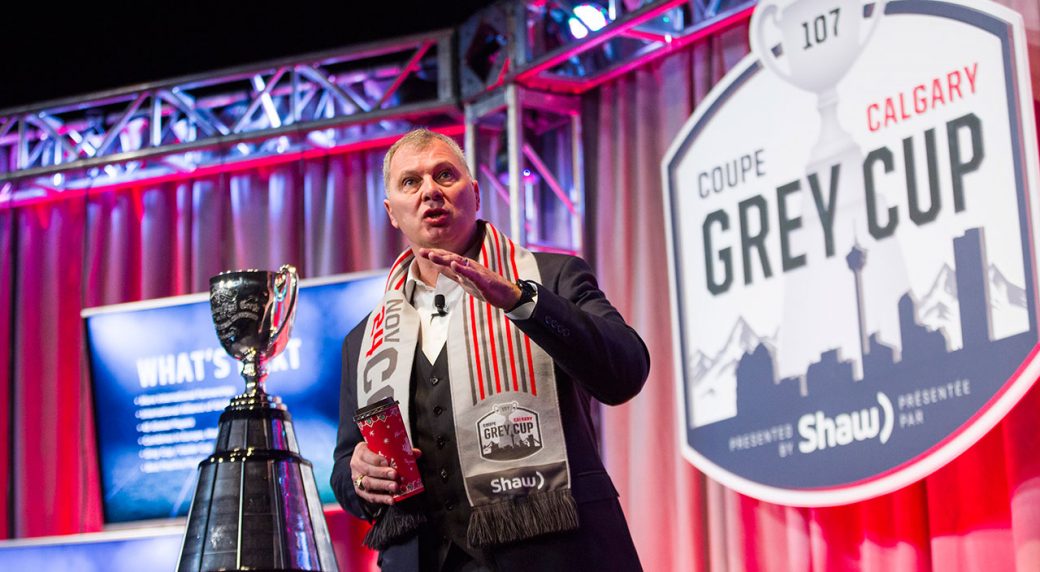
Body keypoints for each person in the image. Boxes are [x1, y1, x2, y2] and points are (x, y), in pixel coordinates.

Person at [331, 128, 650, 571]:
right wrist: (359, 474)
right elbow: (345, 468)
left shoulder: (549, 279)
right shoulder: (365, 338)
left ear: (476, 194)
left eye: (445, 175)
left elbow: (625, 372)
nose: (430, 192)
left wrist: (521, 302)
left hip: (557, 556)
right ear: (391, 213)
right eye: (411, 182)